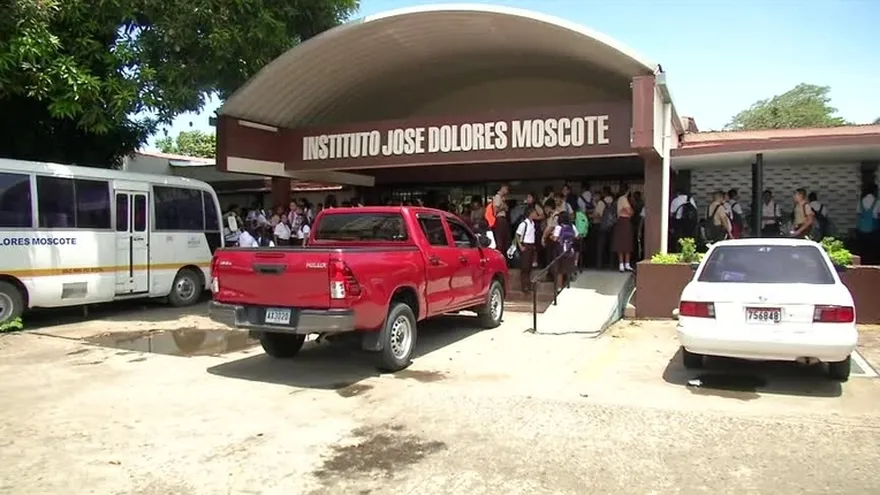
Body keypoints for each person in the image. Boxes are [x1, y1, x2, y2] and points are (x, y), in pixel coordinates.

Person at [551, 211, 578, 286]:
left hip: (559, 251)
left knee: (559, 270)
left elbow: (555, 239)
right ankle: (568, 285)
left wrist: (551, 236)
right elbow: (577, 236)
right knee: (568, 268)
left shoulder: (558, 227)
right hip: (570, 250)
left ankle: (559, 287)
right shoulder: (572, 226)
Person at [515, 208, 539, 292]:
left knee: (529, 267)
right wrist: (520, 245)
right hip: (526, 244)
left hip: (531, 245)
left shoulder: (533, 224)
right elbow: (517, 235)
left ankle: (528, 284)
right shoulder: (524, 224)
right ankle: (524, 286)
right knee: (525, 267)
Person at [612, 185, 635, 272]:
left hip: (621, 221)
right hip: (624, 221)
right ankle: (626, 264)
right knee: (625, 243)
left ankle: (622, 264)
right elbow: (630, 211)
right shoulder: (623, 198)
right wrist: (631, 211)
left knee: (622, 243)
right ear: (628, 191)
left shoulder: (619, 199)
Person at [594, 186, 615, 269]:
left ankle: (599, 265)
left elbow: (597, 214)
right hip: (613, 226)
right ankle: (612, 264)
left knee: (601, 246)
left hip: (602, 226)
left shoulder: (601, 202)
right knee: (611, 246)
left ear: (604, 193)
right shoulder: (615, 201)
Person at [491, 184, 511, 254]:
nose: (507, 191)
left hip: (503, 220)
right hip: (500, 219)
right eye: (506, 189)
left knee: (505, 239)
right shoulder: (498, 197)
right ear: (502, 188)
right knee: (500, 241)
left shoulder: (502, 198)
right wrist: (503, 207)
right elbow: (495, 210)